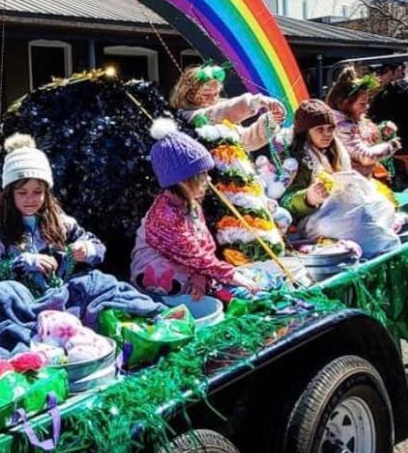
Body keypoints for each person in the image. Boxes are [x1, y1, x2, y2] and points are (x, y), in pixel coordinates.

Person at [131, 119, 259, 300]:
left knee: (210, 282)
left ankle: (203, 283)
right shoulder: (165, 215)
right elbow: (192, 253)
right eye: (201, 176)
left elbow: (203, 243)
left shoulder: (190, 202)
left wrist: (200, 276)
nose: (208, 180)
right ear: (182, 181)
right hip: (158, 266)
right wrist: (232, 275)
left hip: (188, 260)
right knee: (169, 281)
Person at [0, 134, 105, 294]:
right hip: (19, 301)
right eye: (22, 192)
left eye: (37, 192)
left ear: (47, 192)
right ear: (10, 194)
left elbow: (99, 248)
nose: (30, 199)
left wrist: (87, 250)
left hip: (63, 294)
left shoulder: (63, 223)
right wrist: (23, 262)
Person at [169, 62, 286, 153]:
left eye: (216, 94)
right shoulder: (187, 116)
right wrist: (254, 101)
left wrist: (269, 122)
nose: (212, 99)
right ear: (189, 94)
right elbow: (216, 113)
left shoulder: (220, 109)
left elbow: (245, 140)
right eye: (206, 95)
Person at [282, 100, 352, 222]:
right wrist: (309, 198)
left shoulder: (336, 152)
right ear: (306, 132)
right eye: (320, 129)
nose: (327, 134)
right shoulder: (294, 158)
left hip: (338, 211)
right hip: (311, 220)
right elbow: (285, 201)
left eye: (331, 128)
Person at [325, 67, 400, 178]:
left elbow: (362, 142)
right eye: (362, 104)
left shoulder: (350, 123)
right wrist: (390, 146)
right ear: (345, 103)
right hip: (350, 185)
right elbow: (365, 157)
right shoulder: (343, 127)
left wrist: (382, 133)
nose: (366, 107)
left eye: (367, 103)